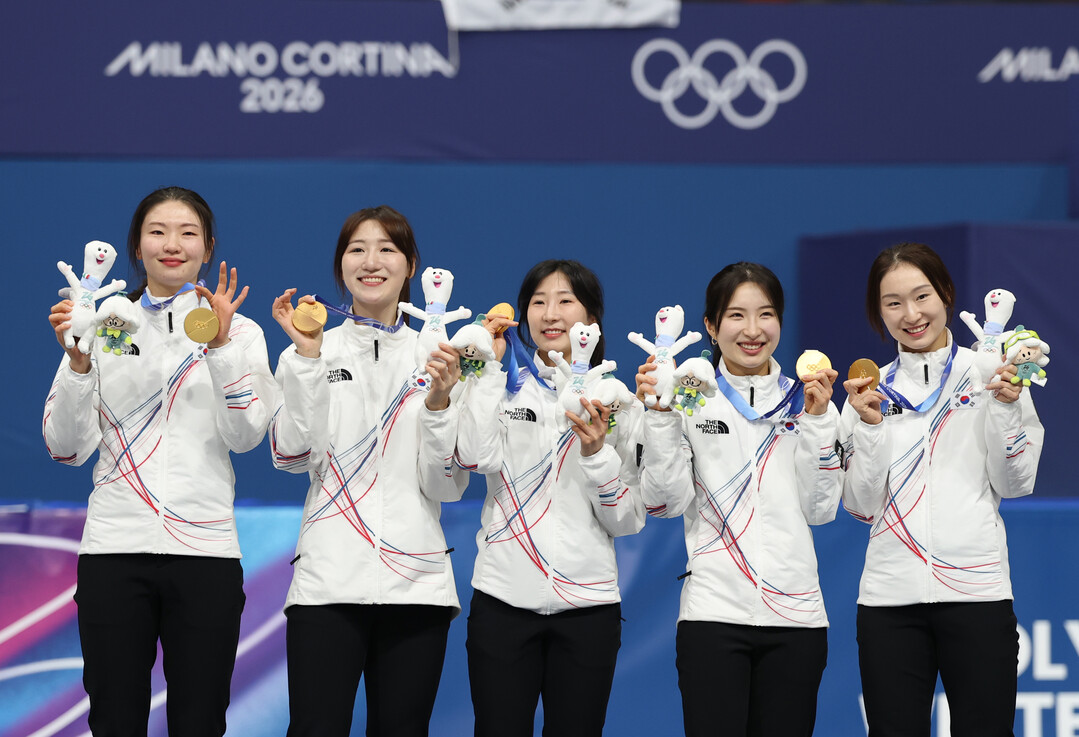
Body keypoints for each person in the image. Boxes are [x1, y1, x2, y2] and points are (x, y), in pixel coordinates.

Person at [43, 186, 275, 736]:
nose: (172, 245)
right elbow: (65, 447)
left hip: (206, 555)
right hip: (114, 550)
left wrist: (217, 350)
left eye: (188, 233)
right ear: (137, 245)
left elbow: (246, 436)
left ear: (209, 247)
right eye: (158, 232)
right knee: (115, 720)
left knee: (199, 721)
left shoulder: (241, 333)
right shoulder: (100, 324)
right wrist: (77, 363)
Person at [268, 205, 466, 737]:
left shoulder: (442, 356)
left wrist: (442, 403)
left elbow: (446, 483)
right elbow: (289, 456)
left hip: (416, 586)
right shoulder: (312, 349)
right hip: (327, 583)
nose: (371, 261)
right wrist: (306, 361)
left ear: (411, 266)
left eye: (387, 249)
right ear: (340, 266)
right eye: (357, 249)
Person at [840, 242, 1043, 737]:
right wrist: (867, 430)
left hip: (977, 595)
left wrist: (1005, 407)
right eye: (893, 303)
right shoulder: (867, 394)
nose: (911, 314)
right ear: (878, 313)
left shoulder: (993, 374)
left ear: (946, 294)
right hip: (890, 603)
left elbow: (1016, 484)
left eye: (922, 296)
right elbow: (860, 506)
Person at [636, 262, 842, 737]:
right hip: (713, 616)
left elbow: (821, 509)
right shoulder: (688, 399)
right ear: (710, 326)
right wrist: (662, 417)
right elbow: (664, 502)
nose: (753, 331)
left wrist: (817, 422)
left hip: (797, 619)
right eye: (736, 316)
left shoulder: (808, 400)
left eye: (766, 314)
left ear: (781, 322)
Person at [455, 259, 645, 737]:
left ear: (591, 318)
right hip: (502, 600)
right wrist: (489, 373)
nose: (551, 313)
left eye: (565, 301)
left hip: (589, 609)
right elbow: (475, 457)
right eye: (538, 302)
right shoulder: (501, 382)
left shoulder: (615, 399)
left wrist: (598, 454)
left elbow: (627, 520)